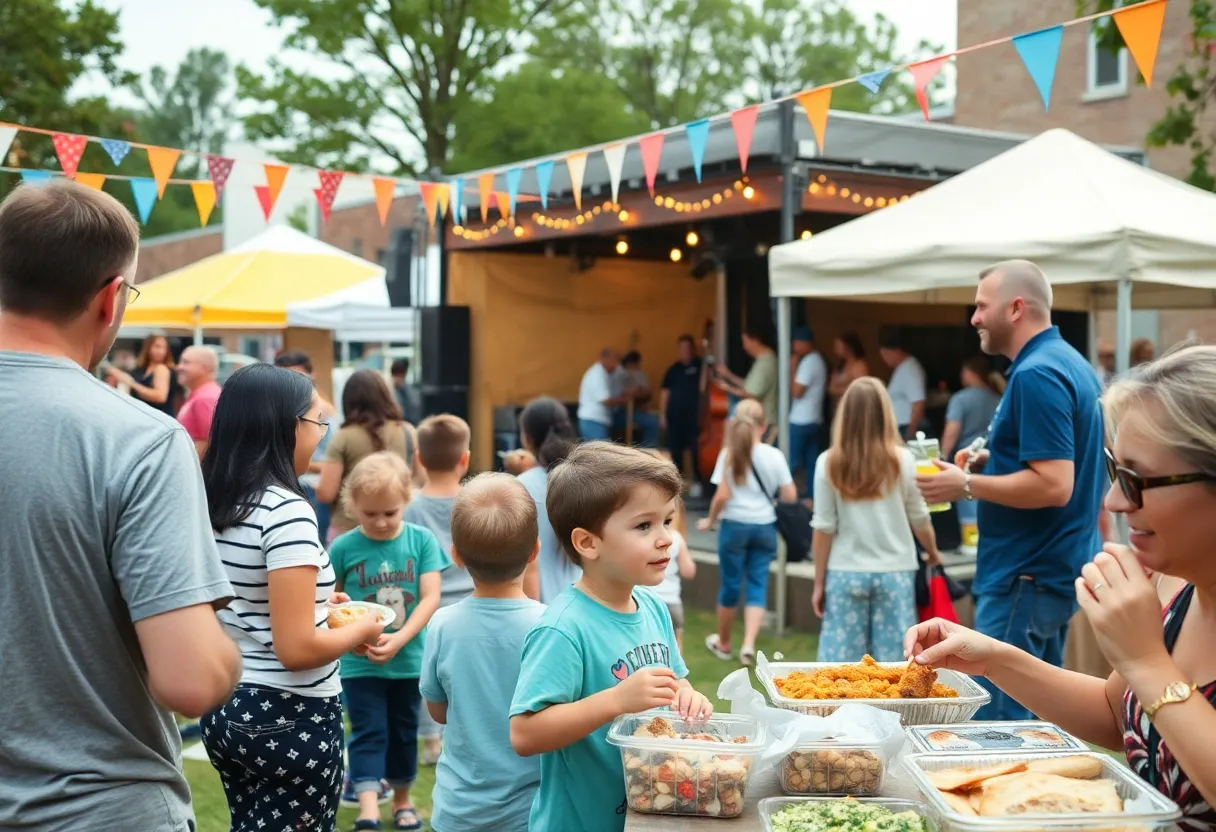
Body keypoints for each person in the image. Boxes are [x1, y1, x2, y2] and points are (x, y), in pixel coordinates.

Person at [0, 179, 240, 830]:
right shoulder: (140, 440)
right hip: (99, 808)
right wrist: (236, 645)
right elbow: (190, 679)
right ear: (111, 299)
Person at [906, 345, 1216, 832]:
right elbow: (1115, 715)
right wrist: (995, 659)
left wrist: (1146, 663)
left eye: (1136, 479)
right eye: (1115, 472)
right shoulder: (1177, 587)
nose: (1113, 500)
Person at [916, 259, 1107, 721]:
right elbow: (1066, 464)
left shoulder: (1036, 373)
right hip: (1045, 571)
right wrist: (992, 461)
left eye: (982, 306)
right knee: (1038, 718)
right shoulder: (1065, 362)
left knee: (998, 728)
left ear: (1016, 308)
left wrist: (962, 483)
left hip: (1026, 574)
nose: (975, 318)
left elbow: (1056, 484)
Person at [200, 363, 381, 832]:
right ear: (287, 427)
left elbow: (250, 599)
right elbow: (297, 649)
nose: (321, 435)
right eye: (317, 421)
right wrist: (363, 626)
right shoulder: (286, 511)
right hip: (288, 715)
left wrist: (324, 606)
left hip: (226, 706)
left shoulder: (215, 499)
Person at [509, 442, 713, 832]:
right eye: (644, 525)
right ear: (588, 542)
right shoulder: (563, 629)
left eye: (668, 521)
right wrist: (617, 700)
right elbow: (524, 733)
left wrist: (687, 694)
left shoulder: (652, 606)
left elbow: (673, 679)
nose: (666, 538)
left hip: (647, 812)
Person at [420, 473, 546, 832]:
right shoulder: (549, 625)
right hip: (531, 810)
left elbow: (438, 711)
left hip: (460, 809)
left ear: (456, 555)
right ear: (535, 550)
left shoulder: (443, 624)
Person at [330, 451, 446, 831]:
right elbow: (328, 598)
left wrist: (400, 640)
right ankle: (367, 805)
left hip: (408, 659)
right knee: (367, 730)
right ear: (353, 507)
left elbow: (430, 597)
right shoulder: (343, 547)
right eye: (370, 514)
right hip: (358, 662)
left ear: (406, 502)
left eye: (390, 513)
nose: (380, 522)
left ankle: (401, 799)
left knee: (401, 732)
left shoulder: (421, 540)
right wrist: (342, 620)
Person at [811, 378, 942, 662]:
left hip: (846, 571)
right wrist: (932, 552)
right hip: (895, 572)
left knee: (840, 671)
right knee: (894, 666)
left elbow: (823, 528)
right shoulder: (903, 460)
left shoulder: (828, 462)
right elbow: (919, 517)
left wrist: (819, 581)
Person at [698, 399, 795, 666]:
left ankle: (725, 643)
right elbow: (790, 494)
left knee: (730, 585)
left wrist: (710, 520)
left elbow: (721, 496)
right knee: (757, 584)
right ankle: (749, 645)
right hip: (764, 526)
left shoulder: (728, 454)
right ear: (763, 426)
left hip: (734, 527)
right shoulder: (774, 456)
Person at [403, 414, 473, 766]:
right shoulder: (472, 500)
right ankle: (459, 736)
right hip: (471, 600)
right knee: (463, 676)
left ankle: (431, 742)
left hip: (425, 607)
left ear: (418, 458)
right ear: (465, 459)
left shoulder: (411, 507)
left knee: (429, 676)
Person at [317, 368, 424, 545]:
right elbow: (419, 481)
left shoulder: (343, 437)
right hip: (398, 530)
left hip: (349, 531)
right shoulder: (407, 431)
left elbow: (326, 493)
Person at [517, 397, 580, 602]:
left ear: (528, 438)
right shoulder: (586, 480)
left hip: (539, 602)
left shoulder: (521, 486)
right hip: (583, 599)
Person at [941, 356, 1004, 544]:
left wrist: (943, 456)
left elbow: (952, 431)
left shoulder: (960, 399)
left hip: (967, 459)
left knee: (968, 500)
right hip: (994, 457)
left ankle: (971, 544)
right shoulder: (998, 397)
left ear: (969, 373)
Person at [276, 350, 338, 538]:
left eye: (297, 376)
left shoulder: (322, 409)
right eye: (285, 377)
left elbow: (332, 458)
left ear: (312, 375)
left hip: (311, 488)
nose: (292, 383)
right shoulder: (281, 408)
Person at [643, 450, 697, 652]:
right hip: (672, 602)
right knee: (675, 647)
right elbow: (689, 571)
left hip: (650, 601)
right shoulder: (677, 538)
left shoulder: (654, 539)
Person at [713, 324, 778, 437]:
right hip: (763, 422)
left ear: (755, 341)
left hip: (764, 423)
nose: (744, 346)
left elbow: (751, 394)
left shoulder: (765, 364)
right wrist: (728, 375)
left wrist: (726, 388)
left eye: (745, 341)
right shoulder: (764, 360)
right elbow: (749, 385)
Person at [789, 326, 828, 505]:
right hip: (814, 418)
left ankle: (787, 499)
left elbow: (796, 391)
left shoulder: (808, 362)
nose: (794, 346)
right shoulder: (819, 360)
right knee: (811, 464)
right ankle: (812, 498)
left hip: (801, 419)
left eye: (797, 342)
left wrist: (792, 367)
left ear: (806, 343)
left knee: (791, 463)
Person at [106, 333, 176, 415]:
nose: (160, 351)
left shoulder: (161, 368)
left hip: (158, 417)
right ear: (148, 347)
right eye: (157, 346)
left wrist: (132, 384)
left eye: (164, 348)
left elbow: (160, 397)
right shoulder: (140, 369)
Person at [878, 329, 926, 440]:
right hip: (898, 426)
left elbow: (918, 402)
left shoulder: (910, 370)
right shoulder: (901, 368)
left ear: (896, 351)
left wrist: (910, 432)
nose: (884, 360)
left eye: (885, 354)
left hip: (906, 427)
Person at [177, 344, 222, 457]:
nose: (179, 367)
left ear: (205, 368)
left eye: (186, 362)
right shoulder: (201, 395)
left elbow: (208, 444)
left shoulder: (205, 398)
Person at [577, 347, 628, 440]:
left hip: (598, 420)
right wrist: (623, 400)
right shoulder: (597, 374)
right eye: (615, 360)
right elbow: (606, 401)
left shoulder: (607, 373)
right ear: (605, 359)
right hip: (593, 421)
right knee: (599, 453)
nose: (616, 364)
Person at [611, 350, 660, 447]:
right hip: (616, 413)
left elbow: (646, 393)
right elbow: (624, 393)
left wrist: (637, 394)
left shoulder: (639, 374)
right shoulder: (618, 375)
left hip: (634, 411)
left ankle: (647, 454)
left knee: (654, 422)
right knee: (653, 422)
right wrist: (634, 392)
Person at [827, 332, 869, 406]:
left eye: (838, 346)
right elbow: (831, 388)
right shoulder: (841, 365)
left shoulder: (859, 366)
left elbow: (860, 390)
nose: (835, 349)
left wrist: (839, 389)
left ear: (849, 347)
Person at [391, 357, 423, 425]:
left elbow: (416, 407)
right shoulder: (390, 391)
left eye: (401, 374)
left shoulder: (412, 390)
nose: (399, 378)